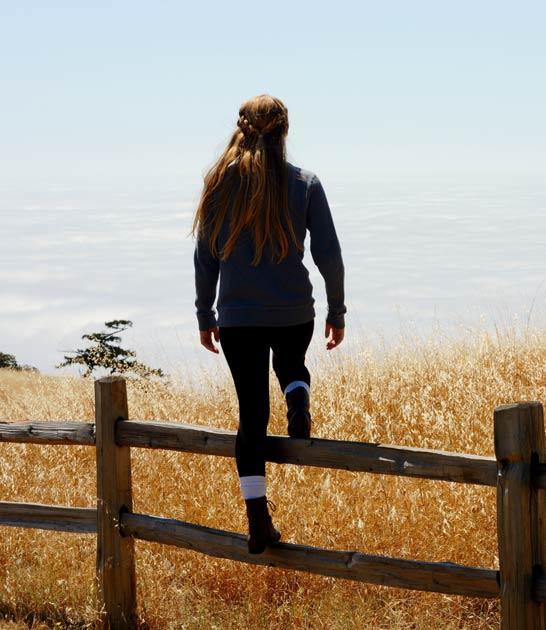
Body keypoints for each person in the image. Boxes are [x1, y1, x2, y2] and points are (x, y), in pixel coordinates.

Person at [191, 93, 346, 554]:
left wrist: (205, 314)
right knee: (293, 364)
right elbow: (330, 256)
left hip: (238, 318)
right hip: (294, 311)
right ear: (285, 131)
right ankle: (298, 396)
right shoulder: (306, 183)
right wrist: (337, 311)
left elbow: (205, 257)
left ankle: (258, 522)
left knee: (252, 415)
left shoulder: (218, 182)